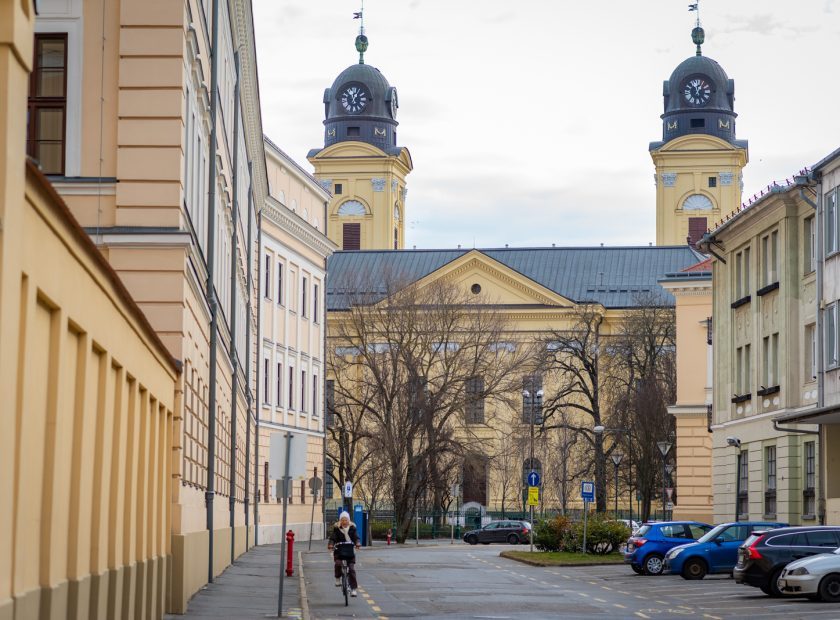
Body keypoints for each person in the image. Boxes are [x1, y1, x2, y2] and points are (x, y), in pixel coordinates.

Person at [327, 511, 361, 596]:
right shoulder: (337, 529)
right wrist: (331, 544)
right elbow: (333, 538)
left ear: (348, 520)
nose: (344, 522)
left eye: (346, 520)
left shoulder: (352, 528)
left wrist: (357, 543)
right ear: (340, 521)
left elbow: (356, 537)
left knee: (352, 569)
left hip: (350, 551)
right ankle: (338, 578)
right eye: (342, 520)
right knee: (338, 564)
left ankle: (353, 589)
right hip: (339, 551)